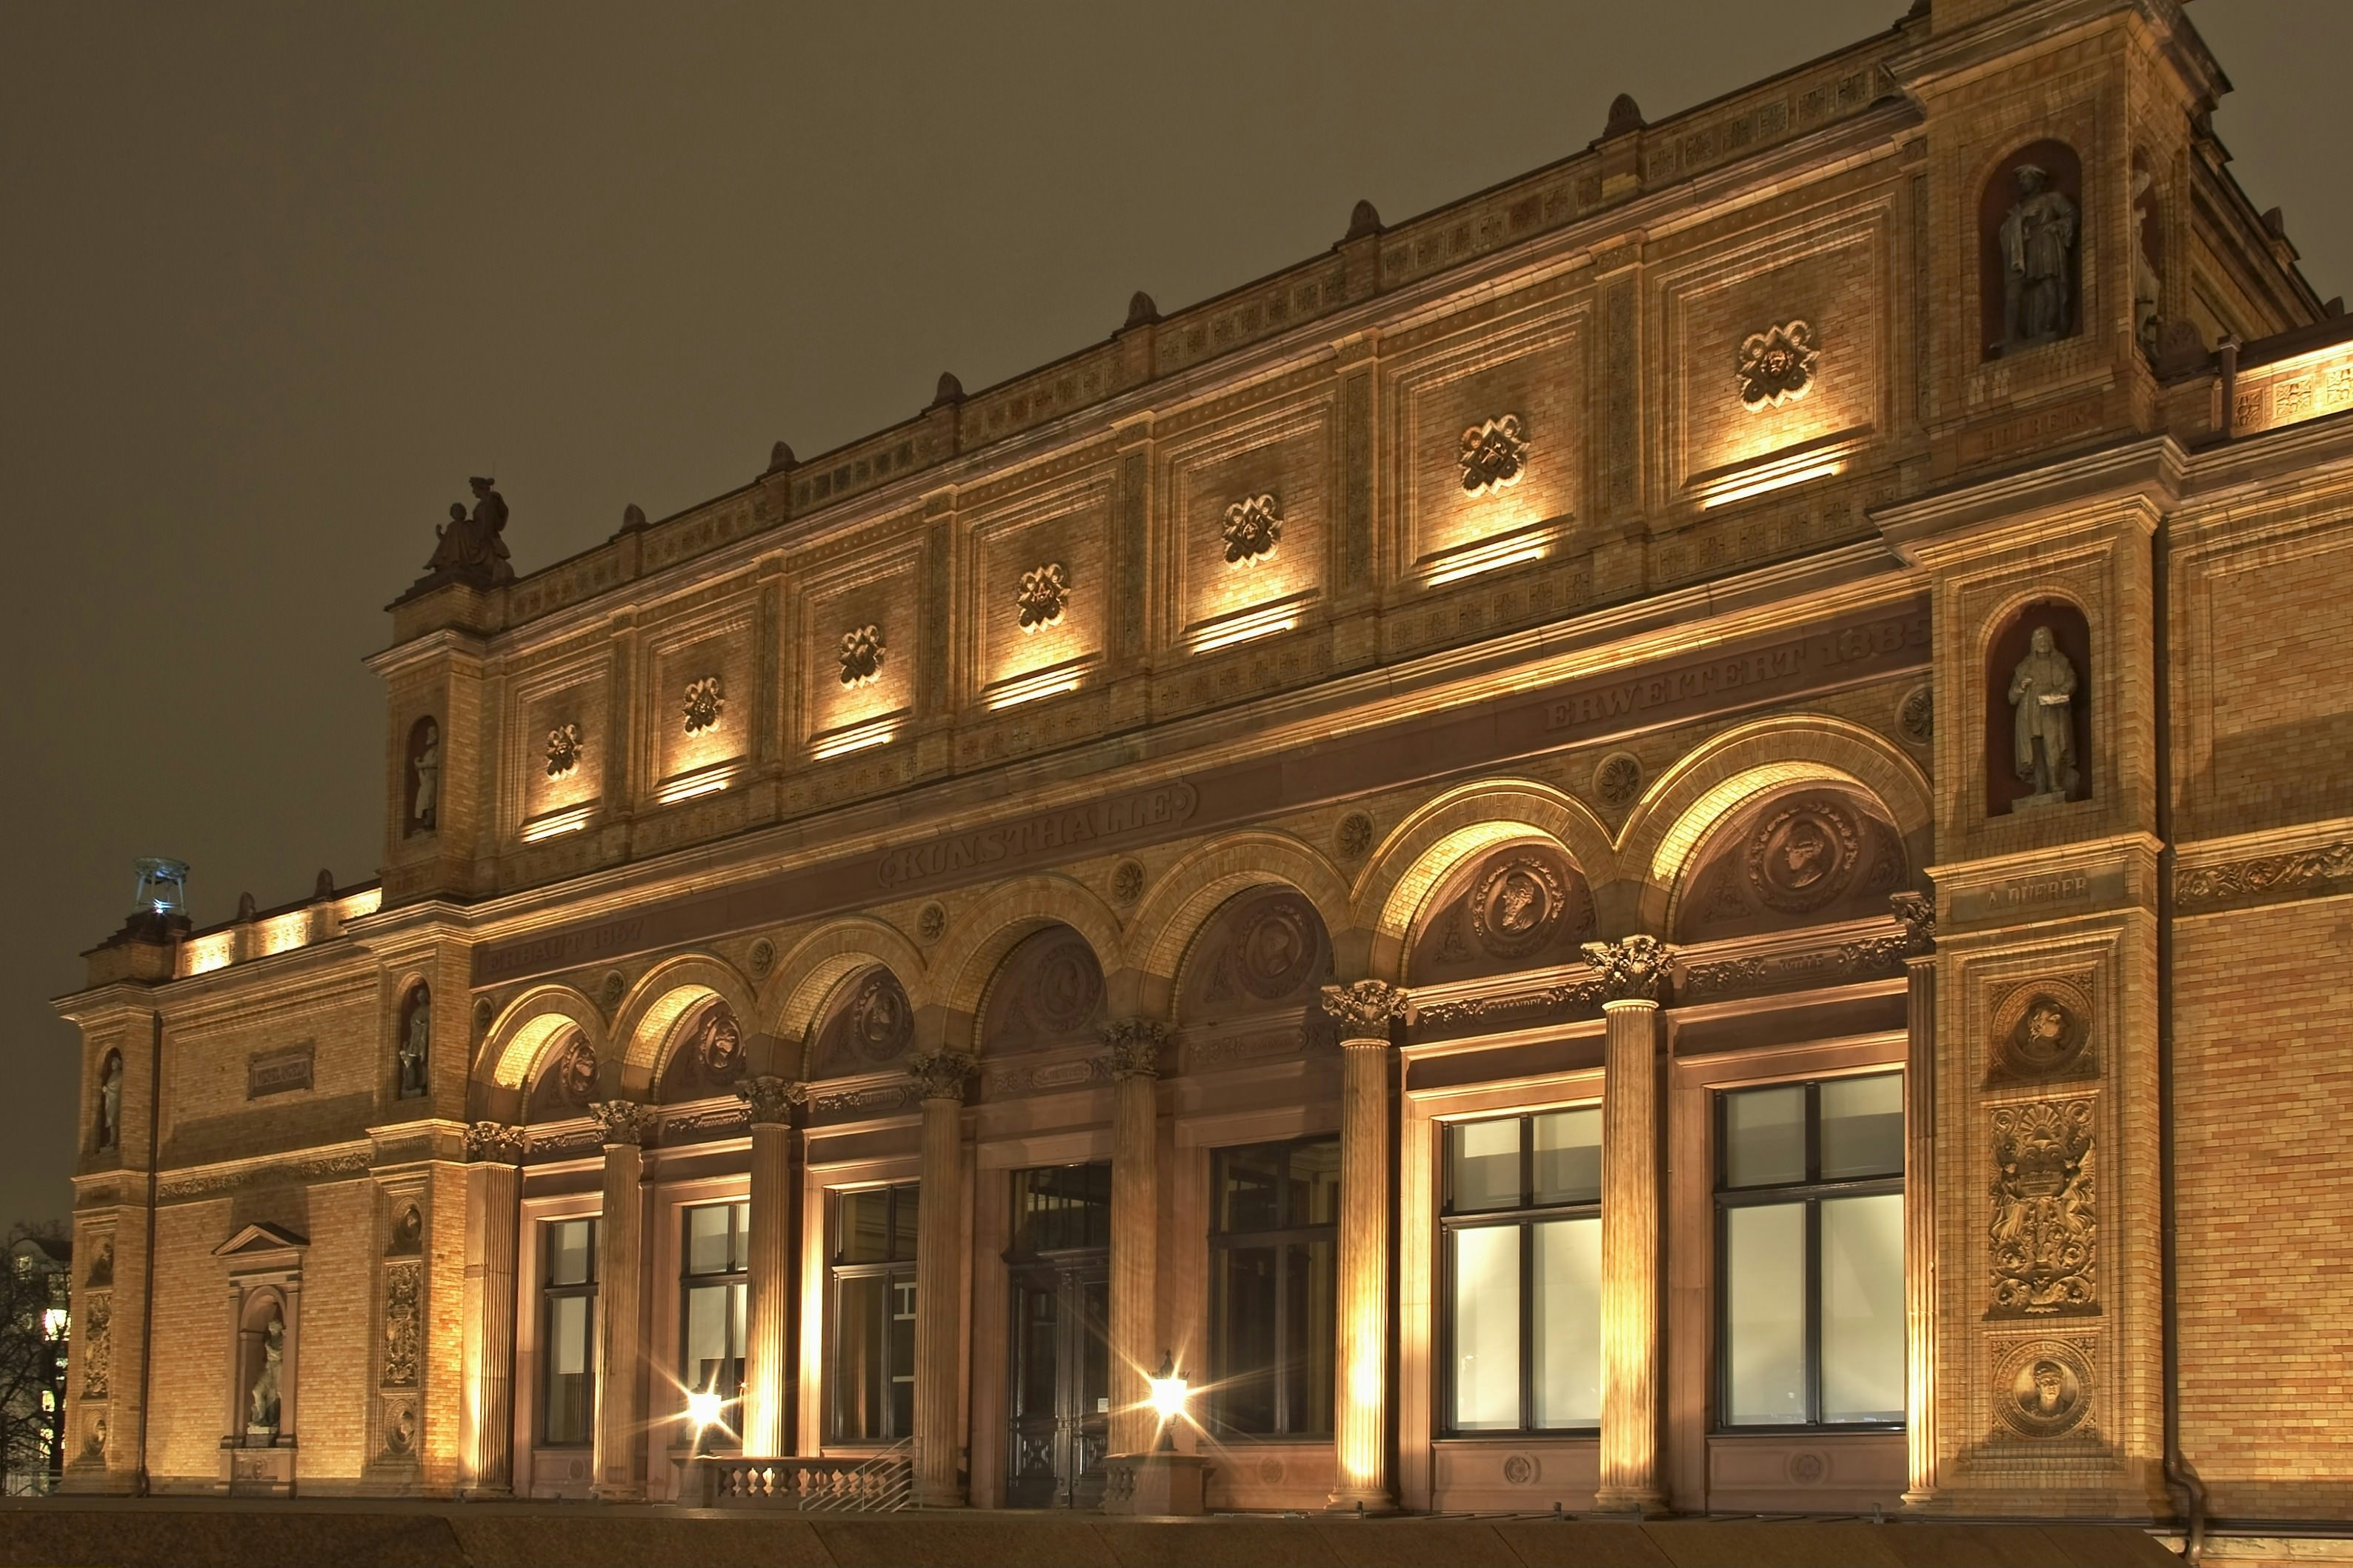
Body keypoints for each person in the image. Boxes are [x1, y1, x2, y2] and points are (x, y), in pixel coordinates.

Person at [2000, 164, 2078, 350]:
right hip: (2022, 250)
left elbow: (2073, 215)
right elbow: (2006, 229)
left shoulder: (2052, 199)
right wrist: (2018, 219)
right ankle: (2010, 337)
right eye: (2021, 180)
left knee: (2049, 285)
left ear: (2037, 180)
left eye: (2026, 179)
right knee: (2014, 290)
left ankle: (2049, 329)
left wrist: (2057, 225)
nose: (2022, 183)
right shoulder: (2019, 207)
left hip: (2045, 244)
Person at [2008, 626, 2079, 800]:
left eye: (2046, 639)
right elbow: (2012, 697)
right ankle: (2040, 787)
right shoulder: (2024, 667)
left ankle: (2054, 783)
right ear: (2034, 643)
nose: (2043, 642)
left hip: (2052, 710)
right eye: (2039, 640)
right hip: (2030, 713)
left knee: (2053, 747)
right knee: (2036, 750)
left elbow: (2071, 681)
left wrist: (2060, 690)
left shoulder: (2060, 662)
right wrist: (2020, 687)